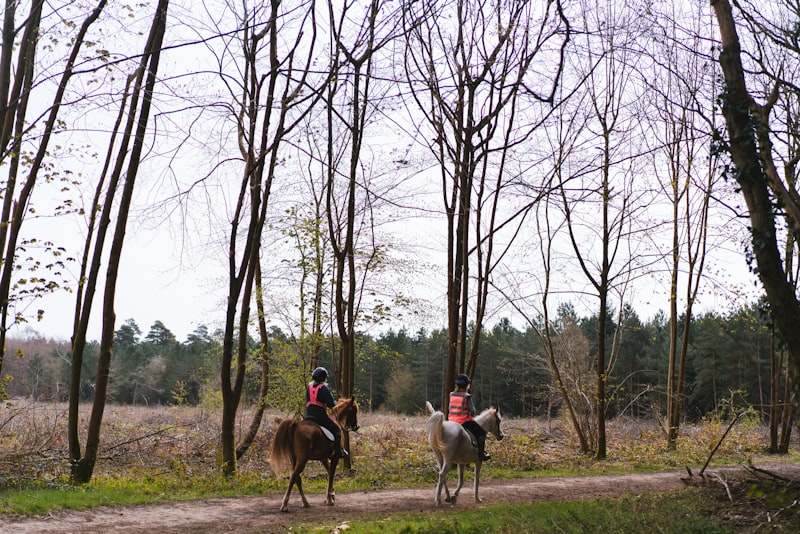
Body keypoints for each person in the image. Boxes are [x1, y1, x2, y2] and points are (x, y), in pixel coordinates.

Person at [304, 366, 348, 458]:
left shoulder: (309, 388)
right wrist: (336, 403)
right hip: (320, 418)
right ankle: (338, 451)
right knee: (337, 430)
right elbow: (331, 404)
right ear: (324, 378)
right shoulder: (323, 388)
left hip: (307, 417)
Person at [448, 373, 490, 461]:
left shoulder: (451, 394)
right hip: (464, 421)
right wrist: (470, 415)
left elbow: (450, 407)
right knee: (481, 433)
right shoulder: (467, 396)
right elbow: (472, 410)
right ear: (467, 385)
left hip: (451, 421)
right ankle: (481, 454)